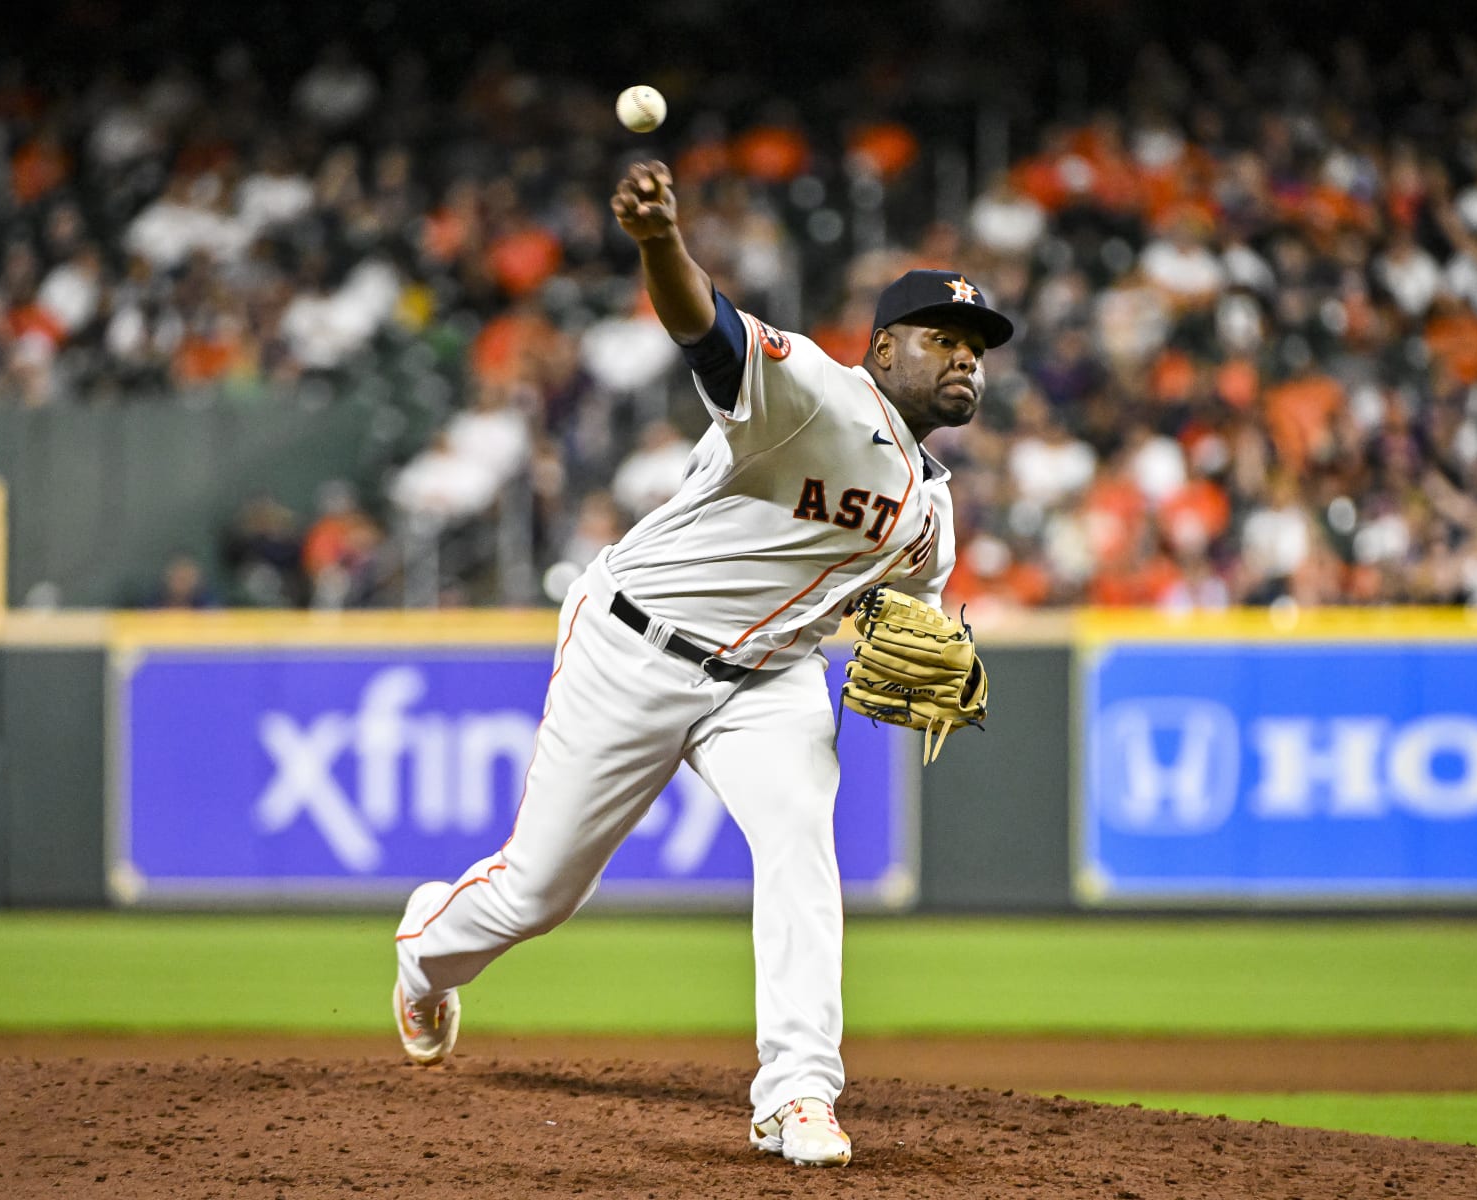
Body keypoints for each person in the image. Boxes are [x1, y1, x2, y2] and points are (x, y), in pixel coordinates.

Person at [391, 160, 1012, 1168]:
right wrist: (655, 242)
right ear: (885, 345)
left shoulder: (931, 516)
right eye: (946, 338)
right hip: (633, 643)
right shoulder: (811, 392)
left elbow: (904, 630)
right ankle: (425, 956)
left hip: (768, 681)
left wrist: (918, 656)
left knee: (803, 842)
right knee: (538, 894)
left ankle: (799, 1092)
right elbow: (709, 331)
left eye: (979, 349)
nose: (967, 360)